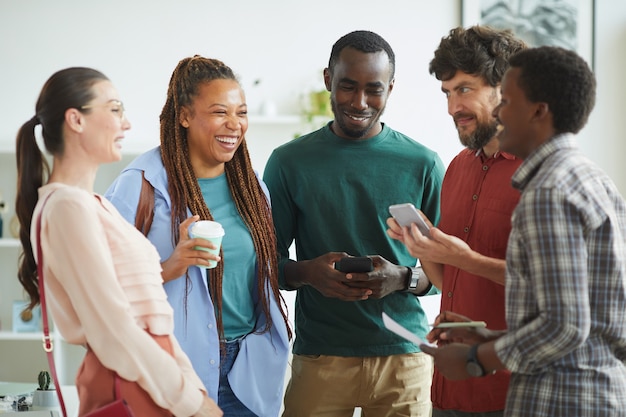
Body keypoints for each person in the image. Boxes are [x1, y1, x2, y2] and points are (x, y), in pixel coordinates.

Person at [421, 46, 626, 417]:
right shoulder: (586, 177)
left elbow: (565, 326)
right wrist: (491, 339)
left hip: (559, 400)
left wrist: (476, 358)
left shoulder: (547, 190)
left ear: (538, 111)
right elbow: (589, 317)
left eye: (507, 101)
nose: (499, 112)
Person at [15, 67, 222, 416]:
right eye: (114, 109)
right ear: (75, 120)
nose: (125, 124)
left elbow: (145, 314)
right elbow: (115, 329)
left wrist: (192, 387)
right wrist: (192, 402)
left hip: (148, 378)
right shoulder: (68, 207)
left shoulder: (93, 205)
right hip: (132, 382)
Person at [263, 30, 445, 416]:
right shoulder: (288, 162)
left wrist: (400, 278)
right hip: (320, 358)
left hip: (405, 358)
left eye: (373, 89)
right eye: (347, 86)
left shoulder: (423, 164)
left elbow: (445, 273)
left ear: (390, 88)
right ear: (328, 79)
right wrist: (310, 272)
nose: (359, 102)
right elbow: (267, 264)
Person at [104, 56, 291, 417]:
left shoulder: (252, 189)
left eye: (242, 112)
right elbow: (103, 288)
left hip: (245, 371)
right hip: (173, 371)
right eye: (220, 112)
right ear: (185, 116)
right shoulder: (139, 185)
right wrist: (172, 266)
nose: (234, 125)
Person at [386, 26, 526, 417]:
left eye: (465, 89)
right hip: (449, 390)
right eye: (447, 93)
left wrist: (465, 259)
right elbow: (453, 283)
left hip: (510, 393)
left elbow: (554, 288)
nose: (452, 108)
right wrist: (422, 245)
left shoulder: (541, 176)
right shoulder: (458, 169)